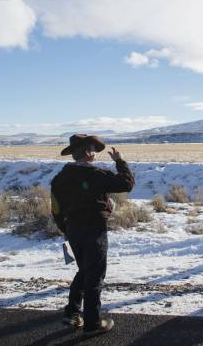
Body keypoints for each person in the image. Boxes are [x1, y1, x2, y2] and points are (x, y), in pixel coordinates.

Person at [51, 134, 135, 337]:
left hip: (73, 230)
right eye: (94, 151)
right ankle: (92, 323)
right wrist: (120, 161)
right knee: (95, 275)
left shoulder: (59, 178)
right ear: (88, 153)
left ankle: (72, 312)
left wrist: (66, 229)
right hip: (94, 230)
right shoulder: (97, 174)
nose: (95, 155)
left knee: (84, 270)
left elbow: (56, 209)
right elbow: (127, 184)